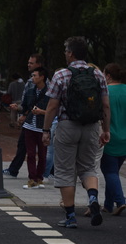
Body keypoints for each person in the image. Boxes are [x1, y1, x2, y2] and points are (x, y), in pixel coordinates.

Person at [42, 36, 111, 229]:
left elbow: (52, 106)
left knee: (65, 170)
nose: (65, 54)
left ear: (71, 53)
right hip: (91, 126)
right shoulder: (97, 74)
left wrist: (46, 130)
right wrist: (105, 130)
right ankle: (92, 197)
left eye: (66, 51)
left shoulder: (61, 75)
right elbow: (105, 105)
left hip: (67, 126)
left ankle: (71, 216)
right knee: (88, 167)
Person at [4, 54, 46, 178]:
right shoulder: (30, 83)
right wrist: (19, 109)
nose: (29, 65)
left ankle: (40, 175)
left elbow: (37, 103)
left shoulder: (45, 86)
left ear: (39, 65)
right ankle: (28, 175)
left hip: (39, 122)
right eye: (28, 62)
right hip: (29, 122)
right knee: (28, 149)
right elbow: (27, 102)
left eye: (31, 63)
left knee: (41, 152)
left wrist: (25, 114)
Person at [99, 63, 126, 215]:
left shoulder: (106, 92)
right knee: (114, 171)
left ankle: (120, 200)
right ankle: (108, 204)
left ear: (108, 76)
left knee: (109, 171)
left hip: (109, 135)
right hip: (124, 138)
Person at [20, 66, 49, 189]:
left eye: (35, 76)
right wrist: (19, 110)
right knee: (30, 153)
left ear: (42, 77)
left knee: (42, 154)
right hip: (29, 125)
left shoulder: (49, 92)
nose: (32, 78)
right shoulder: (30, 91)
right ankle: (32, 178)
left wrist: (41, 112)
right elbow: (25, 107)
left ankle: (39, 178)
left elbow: (54, 111)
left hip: (43, 127)